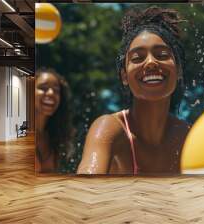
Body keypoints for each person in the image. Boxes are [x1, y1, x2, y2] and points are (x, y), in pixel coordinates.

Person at [77, 6, 190, 175]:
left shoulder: (188, 136)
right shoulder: (110, 129)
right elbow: (84, 186)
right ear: (124, 76)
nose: (151, 62)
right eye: (137, 58)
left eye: (162, 55)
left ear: (179, 70)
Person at [35, 69, 74, 173]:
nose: (51, 93)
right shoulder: (18, 133)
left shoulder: (55, 137)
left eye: (56, 90)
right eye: (43, 88)